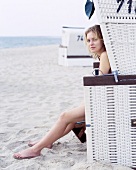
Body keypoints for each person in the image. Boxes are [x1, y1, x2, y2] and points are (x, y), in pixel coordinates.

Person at [13, 25, 111, 159]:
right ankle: (47, 142)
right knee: (70, 121)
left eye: (95, 39)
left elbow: (100, 86)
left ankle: (36, 149)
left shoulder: (105, 55)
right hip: (103, 99)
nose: (91, 43)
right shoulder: (103, 56)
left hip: (104, 103)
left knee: (65, 116)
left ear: (102, 40)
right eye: (88, 41)